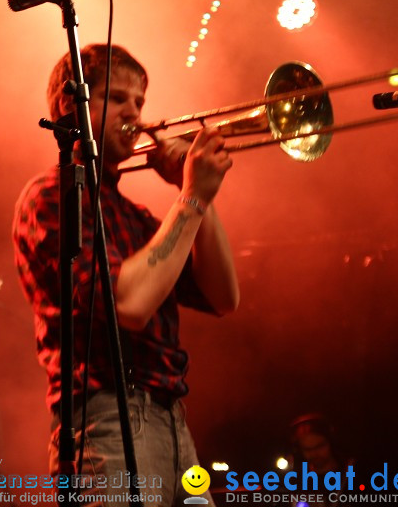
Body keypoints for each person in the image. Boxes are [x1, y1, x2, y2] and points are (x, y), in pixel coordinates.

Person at [12, 44, 238, 505]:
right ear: (69, 105)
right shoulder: (52, 195)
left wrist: (194, 194)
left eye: (140, 102)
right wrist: (192, 196)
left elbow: (223, 297)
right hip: (108, 423)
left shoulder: (137, 217)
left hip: (172, 422)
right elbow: (130, 305)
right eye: (117, 99)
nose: (135, 113)